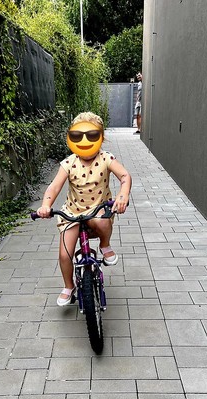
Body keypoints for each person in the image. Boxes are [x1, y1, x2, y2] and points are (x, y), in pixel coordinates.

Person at [36, 112, 132, 306]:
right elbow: (54, 187)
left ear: (101, 138)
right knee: (65, 254)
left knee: (103, 221)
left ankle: (105, 245)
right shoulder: (69, 163)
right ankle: (68, 286)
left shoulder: (106, 158)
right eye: (77, 137)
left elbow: (124, 176)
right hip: (72, 213)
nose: (85, 142)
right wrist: (46, 205)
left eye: (93, 136)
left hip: (98, 210)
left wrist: (123, 196)